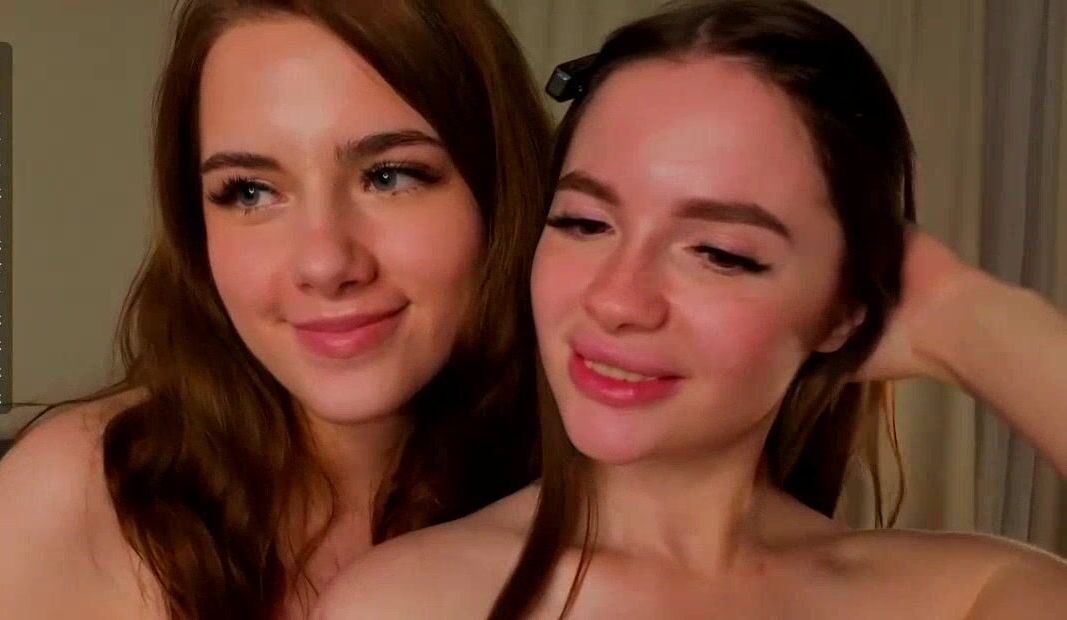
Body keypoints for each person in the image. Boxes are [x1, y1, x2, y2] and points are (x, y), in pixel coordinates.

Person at [317, 1, 1067, 617]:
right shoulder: (406, 602)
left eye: (720, 253)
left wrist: (965, 318)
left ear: (843, 309)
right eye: (583, 223)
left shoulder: (969, 598)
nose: (617, 299)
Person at [0, 0, 552, 618]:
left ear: (500, 191)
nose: (324, 263)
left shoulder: (597, 510)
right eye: (250, 191)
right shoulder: (52, 474)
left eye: (390, 176)